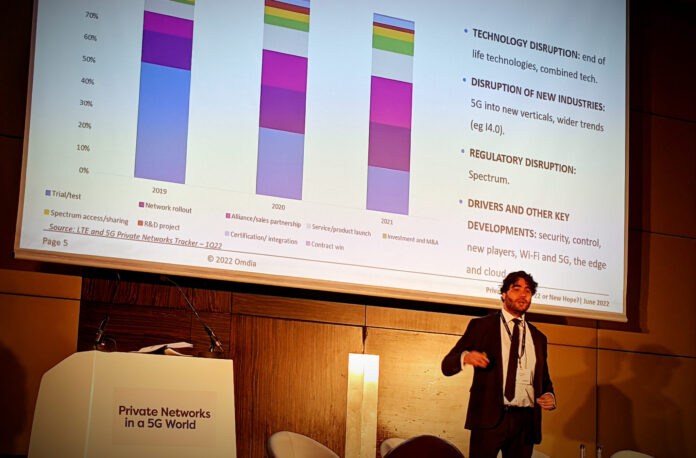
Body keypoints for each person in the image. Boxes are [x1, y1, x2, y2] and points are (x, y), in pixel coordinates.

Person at [441, 271, 556, 458]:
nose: (523, 294)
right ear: (504, 294)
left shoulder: (538, 337)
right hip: (489, 418)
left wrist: (549, 395)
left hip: (525, 423)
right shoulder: (482, 326)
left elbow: (544, 380)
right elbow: (446, 365)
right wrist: (466, 357)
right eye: (517, 289)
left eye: (528, 291)